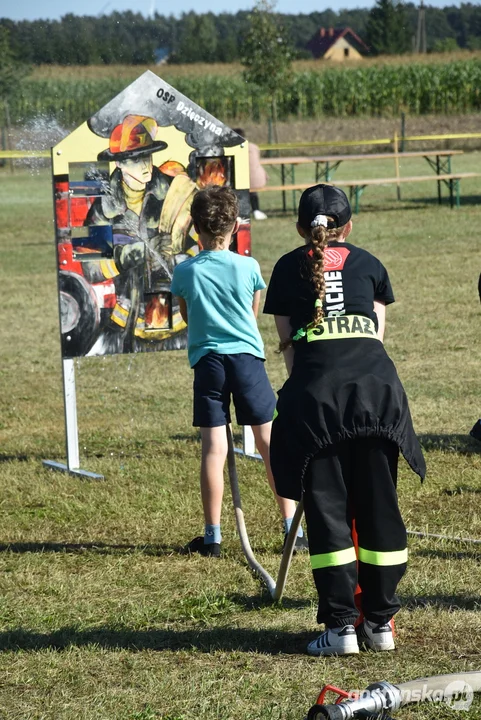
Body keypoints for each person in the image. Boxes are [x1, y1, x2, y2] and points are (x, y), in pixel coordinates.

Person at [264, 184, 426, 655]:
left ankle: (340, 630)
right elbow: (376, 337)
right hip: (378, 396)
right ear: (349, 228)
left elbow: (292, 359)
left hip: (317, 402)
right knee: (380, 511)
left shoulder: (285, 268)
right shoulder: (370, 264)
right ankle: (380, 626)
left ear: (299, 229)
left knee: (330, 518)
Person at [170, 185, 307, 557]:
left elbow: (186, 315)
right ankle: (291, 529)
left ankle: (212, 537)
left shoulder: (184, 272)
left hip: (208, 364)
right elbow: (251, 310)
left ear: (194, 228)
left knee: (214, 449)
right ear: (235, 228)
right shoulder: (248, 266)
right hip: (247, 361)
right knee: (269, 445)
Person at [233, 128, 268, 221]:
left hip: (242, 180)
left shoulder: (233, 149)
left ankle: (239, 212)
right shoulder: (254, 147)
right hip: (258, 179)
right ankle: (256, 210)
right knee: (250, 186)